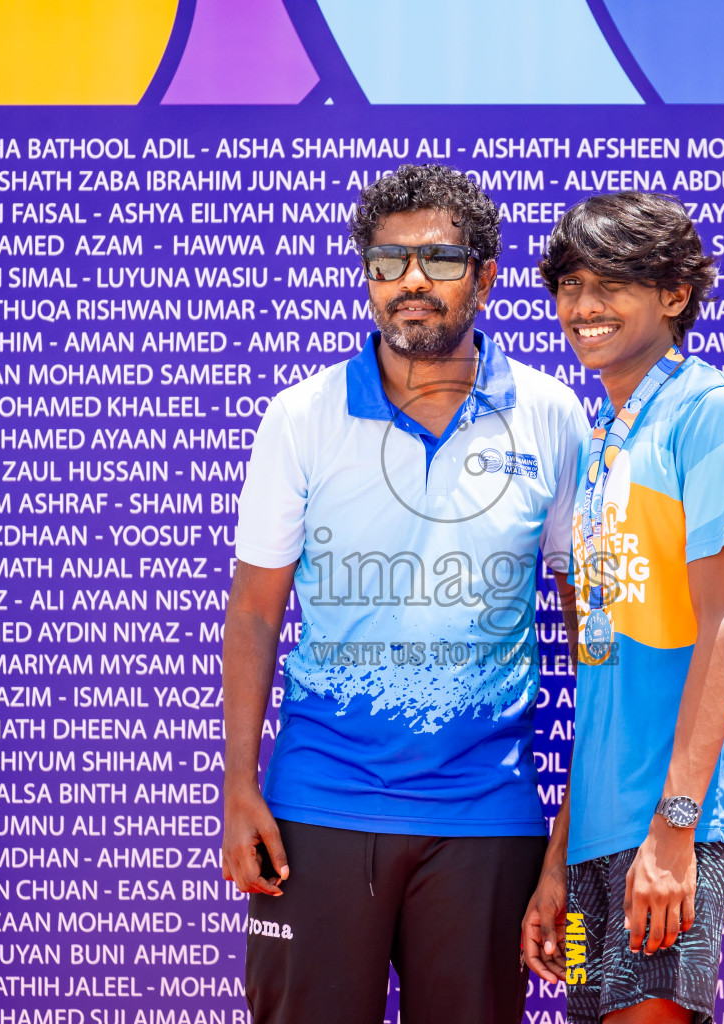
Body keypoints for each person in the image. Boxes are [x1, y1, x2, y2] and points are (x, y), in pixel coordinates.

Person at [221, 165, 585, 1024]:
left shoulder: (552, 415)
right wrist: (239, 785)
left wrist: (565, 843)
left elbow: (591, 636)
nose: (410, 281)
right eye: (387, 261)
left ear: (486, 277)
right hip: (317, 808)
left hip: (489, 816)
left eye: (439, 259)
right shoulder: (301, 416)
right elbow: (252, 614)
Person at [521, 194, 724, 1024]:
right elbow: (605, 679)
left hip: (676, 823)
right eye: (568, 284)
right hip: (603, 825)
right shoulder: (603, 436)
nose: (582, 308)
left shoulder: (713, 414)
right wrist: (560, 854)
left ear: (673, 293)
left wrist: (674, 830)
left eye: (611, 284)